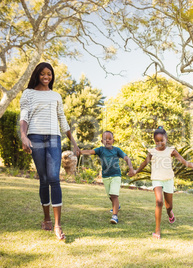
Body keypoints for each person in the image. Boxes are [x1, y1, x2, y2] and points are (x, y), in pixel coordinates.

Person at [20, 62, 80, 241]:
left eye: (49, 74)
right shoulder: (28, 94)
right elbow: (24, 115)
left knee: (54, 178)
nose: (46, 77)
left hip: (54, 139)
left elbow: (62, 119)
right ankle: (46, 219)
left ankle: (57, 225)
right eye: (43, 74)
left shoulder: (56, 96)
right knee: (44, 179)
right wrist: (24, 136)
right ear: (37, 75)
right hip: (36, 138)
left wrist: (74, 143)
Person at [129, 126, 193, 239]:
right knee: (159, 202)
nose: (160, 143)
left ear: (166, 139)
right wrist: (136, 171)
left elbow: (185, 162)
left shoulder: (171, 151)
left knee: (169, 206)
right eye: (157, 141)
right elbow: (144, 164)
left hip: (168, 180)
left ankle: (170, 212)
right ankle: (157, 231)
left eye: (162, 140)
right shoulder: (152, 152)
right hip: (157, 179)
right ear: (154, 141)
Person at [81, 131, 135, 224]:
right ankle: (117, 206)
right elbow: (90, 151)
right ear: (102, 141)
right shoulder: (100, 150)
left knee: (114, 195)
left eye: (109, 139)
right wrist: (80, 152)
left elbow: (126, 158)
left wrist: (130, 168)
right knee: (111, 195)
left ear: (113, 140)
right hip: (106, 177)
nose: (107, 141)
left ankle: (115, 216)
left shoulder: (117, 150)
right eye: (105, 139)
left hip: (116, 176)